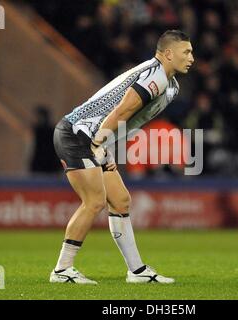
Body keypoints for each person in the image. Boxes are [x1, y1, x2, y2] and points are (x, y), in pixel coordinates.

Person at [51, 30, 194, 284]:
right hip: (78, 134)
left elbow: (126, 117)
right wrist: (97, 144)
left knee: (120, 201)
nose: (191, 57)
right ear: (169, 54)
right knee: (94, 202)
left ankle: (136, 272)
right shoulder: (156, 77)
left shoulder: (171, 85)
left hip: (94, 137)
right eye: (187, 52)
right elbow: (122, 110)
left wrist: (104, 145)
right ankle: (62, 270)